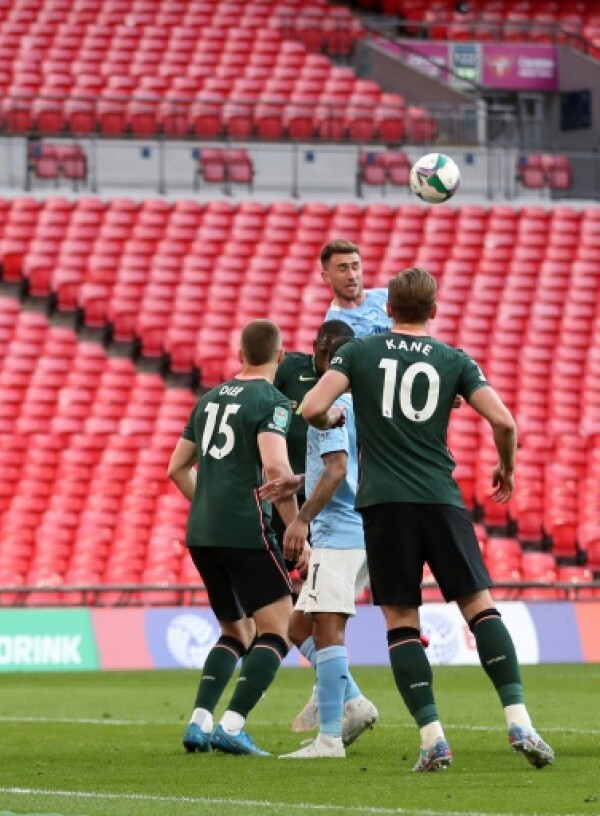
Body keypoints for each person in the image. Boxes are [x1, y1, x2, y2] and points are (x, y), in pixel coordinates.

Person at [300, 267, 554, 772]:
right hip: (441, 498)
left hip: (384, 506)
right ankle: (521, 721)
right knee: (480, 608)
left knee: (400, 621)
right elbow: (504, 420)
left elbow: (312, 405)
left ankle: (433, 738)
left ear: (387, 309)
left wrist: (329, 419)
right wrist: (506, 467)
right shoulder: (454, 359)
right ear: (434, 311)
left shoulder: (360, 352)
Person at [168, 319, 305, 757]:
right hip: (245, 529)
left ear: (239, 355)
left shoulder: (207, 401)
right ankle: (232, 724)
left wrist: (208, 504)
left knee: (235, 630)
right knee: (279, 628)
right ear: (280, 358)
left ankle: (199, 722)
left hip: (202, 532)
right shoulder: (273, 401)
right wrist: (296, 525)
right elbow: (276, 470)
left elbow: (175, 468)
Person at [260, 321, 379, 758]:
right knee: (298, 625)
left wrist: (299, 522)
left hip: (337, 531)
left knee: (328, 631)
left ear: (324, 354)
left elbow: (337, 470)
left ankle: (329, 737)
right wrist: (299, 480)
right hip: (355, 528)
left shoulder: (328, 405)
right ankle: (354, 702)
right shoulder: (358, 401)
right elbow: (334, 466)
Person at [320, 239, 392, 338]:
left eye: (355, 267)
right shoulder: (335, 328)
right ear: (326, 277)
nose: (352, 276)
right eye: (343, 268)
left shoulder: (389, 296)